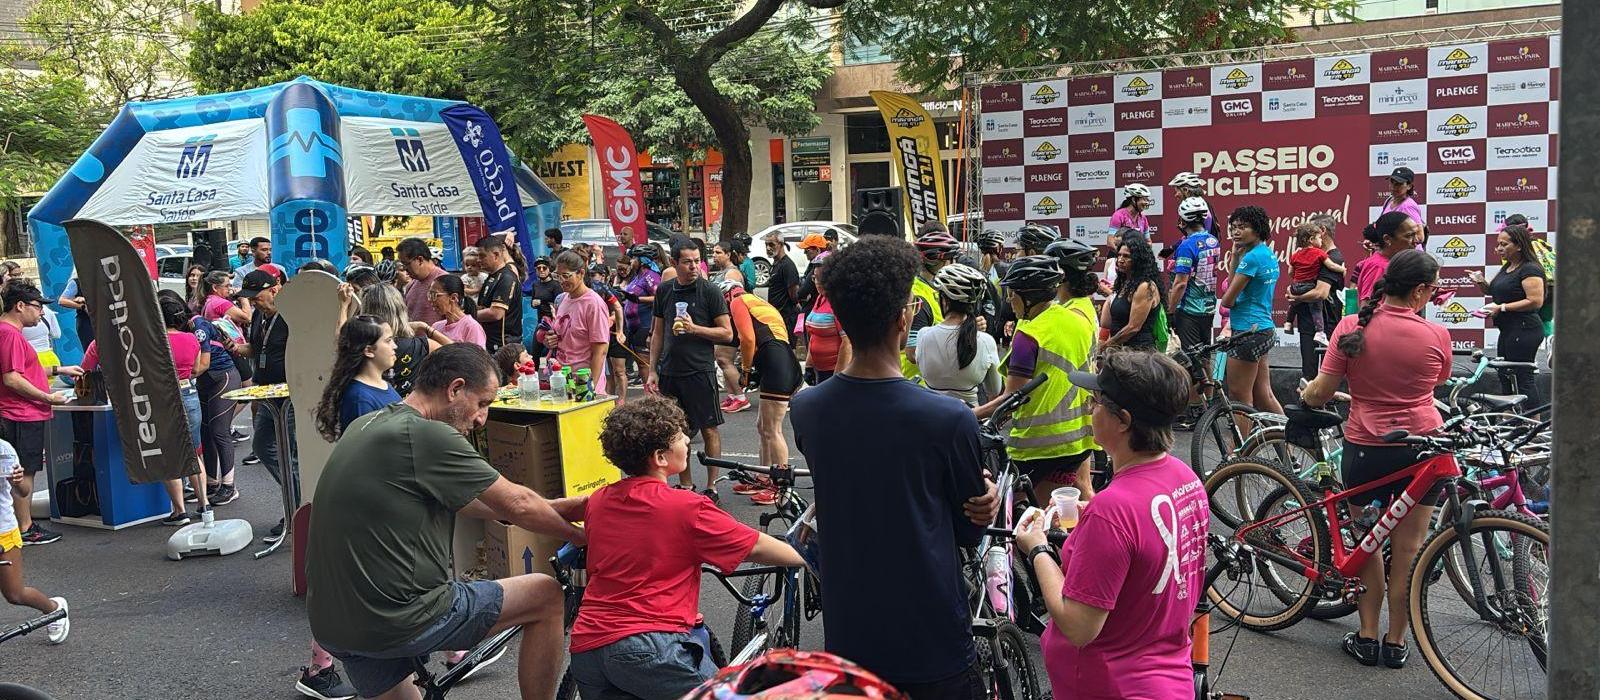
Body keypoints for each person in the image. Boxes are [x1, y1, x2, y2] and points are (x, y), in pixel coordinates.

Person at [305, 344, 584, 700]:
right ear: (454, 389)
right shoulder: (427, 434)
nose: (482, 418)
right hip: (396, 616)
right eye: (482, 403)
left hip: (335, 622)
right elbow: (516, 502)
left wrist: (561, 508)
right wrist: (579, 537)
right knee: (545, 596)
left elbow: (472, 502)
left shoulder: (370, 423)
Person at [789, 236, 998, 696]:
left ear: (840, 320)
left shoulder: (806, 411)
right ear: (904, 319)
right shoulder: (949, 419)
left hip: (850, 638)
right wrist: (986, 499)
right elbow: (969, 531)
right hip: (932, 637)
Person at [569, 396, 805, 698]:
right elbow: (756, 545)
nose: (686, 442)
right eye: (680, 437)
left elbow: (574, 507)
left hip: (588, 646)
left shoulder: (601, 500)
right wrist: (812, 556)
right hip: (650, 646)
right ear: (660, 457)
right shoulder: (687, 507)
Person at [1015, 350, 1209, 700]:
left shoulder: (1112, 511)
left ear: (1122, 420)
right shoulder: (1186, 480)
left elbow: (1078, 626)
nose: (1090, 408)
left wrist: (1038, 547)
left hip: (1107, 684)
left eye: (1096, 402)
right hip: (1169, 677)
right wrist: (1093, 515)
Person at [1301, 249, 1448, 669]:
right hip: (1422, 450)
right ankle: (1396, 642)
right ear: (1420, 291)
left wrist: (1307, 394)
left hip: (1365, 451)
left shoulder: (1351, 327)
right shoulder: (1436, 336)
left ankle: (1366, 637)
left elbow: (1321, 393)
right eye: (1434, 289)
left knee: (1367, 546)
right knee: (1408, 550)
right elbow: (1438, 381)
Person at [978, 257, 1100, 504]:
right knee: (1060, 511)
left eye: (1012, 294)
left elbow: (1011, 401)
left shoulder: (1029, 335)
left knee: (1008, 506)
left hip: (1039, 445)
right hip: (1080, 439)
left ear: (1029, 297)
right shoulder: (1076, 320)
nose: (1009, 301)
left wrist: (969, 414)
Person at [82, 290, 209, 525]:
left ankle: (180, 511)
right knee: (193, 451)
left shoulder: (150, 340)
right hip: (189, 393)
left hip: (162, 397)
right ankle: (204, 504)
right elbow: (194, 369)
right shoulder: (192, 339)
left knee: (169, 454)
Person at [644, 237, 733, 501]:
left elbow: (727, 333)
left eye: (697, 261)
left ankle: (712, 485)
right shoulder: (665, 290)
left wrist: (695, 329)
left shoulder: (710, 291)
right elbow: (658, 332)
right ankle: (686, 485)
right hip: (671, 371)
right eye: (687, 262)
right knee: (676, 432)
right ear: (674, 263)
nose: (694, 267)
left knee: (709, 428)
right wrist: (653, 370)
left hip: (699, 370)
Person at [1, 281, 82, 546]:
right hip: (21, 414)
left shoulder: (9, 333)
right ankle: (25, 527)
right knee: (23, 472)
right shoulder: (10, 334)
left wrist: (60, 370)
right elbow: (12, 379)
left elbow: (23, 371)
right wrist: (48, 397)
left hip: (20, 412)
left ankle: (21, 524)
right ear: (20, 306)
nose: (42, 313)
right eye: (37, 308)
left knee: (23, 470)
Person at [716, 279, 801, 504]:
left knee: (772, 429)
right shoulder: (756, 301)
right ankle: (764, 477)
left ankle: (782, 488)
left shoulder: (738, 301)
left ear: (726, 295)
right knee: (763, 426)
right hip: (780, 360)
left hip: (775, 362)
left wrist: (744, 370)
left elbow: (747, 338)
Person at [1470, 223, 1546, 410]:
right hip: (1509, 330)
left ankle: (1532, 426)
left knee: (1523, 378)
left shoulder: (1530, 269)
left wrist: (1502, 308)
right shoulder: (1509, 267)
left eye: (1504, 244)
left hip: (1526, 330)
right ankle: (1510, 420)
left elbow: (1535, 301)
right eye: (1498, 244)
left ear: (1519, 245)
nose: (1499, 249)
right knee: (1505, 375)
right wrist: (1481, 282)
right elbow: (1496, 291)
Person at [1218, 205, 1284, 421]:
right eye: (1234, 227)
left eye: (1242, 227)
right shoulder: (1267, 254)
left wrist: (1239, 261)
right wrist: (1235, 257)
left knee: (1239, 398)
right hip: (1263, 330)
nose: (1236, 232)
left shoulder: (1252, 259)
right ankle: (1294, 443)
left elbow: (1227, 299)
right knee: (1263, 395)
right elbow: (1233, 287)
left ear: (1257, 229)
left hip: (1247, 331)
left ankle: (1240, 453)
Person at [1, 436, 69, 643]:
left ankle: (54, 609)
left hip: (3, 531)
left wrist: (18, 481)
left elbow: (23, 492)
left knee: (15, 594)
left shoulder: (3, 449)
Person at [916, 264, 1001, 407]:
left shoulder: (924, 335)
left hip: (929, 415)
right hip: (970, 417)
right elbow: (994, 389)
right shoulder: (985, 341)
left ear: (944, 300)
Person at [192, 288, 243, 507]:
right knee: (206, 431)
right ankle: (212, 482)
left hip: (223, 376)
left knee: (219, 430)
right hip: (205, 381)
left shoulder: (199, 327)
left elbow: (202, 364)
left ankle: (229, 486)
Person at [314, 315, 400, 442]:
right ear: (369, 350)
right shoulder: (359, 399)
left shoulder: (384, 385)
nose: (395, 346)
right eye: (388, 341)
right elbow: (365, 450)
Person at [540, 251, 612, 395]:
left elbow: (601, 350)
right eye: (558, 276)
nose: (561, 281)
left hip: (583, 384)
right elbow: (561, 336)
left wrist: (589, 388)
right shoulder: (563, 299)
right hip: (561, 380)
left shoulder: (593, 304)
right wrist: (549, 341)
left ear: (581, 273)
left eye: (566, 276)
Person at [362, 283, 447, 397]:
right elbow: (461, 354)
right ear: (401, 309)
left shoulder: (363, 347)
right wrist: (425, 327)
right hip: (410, 411)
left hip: (373, 409)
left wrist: (344, 307)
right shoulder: (421, 346)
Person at [1286, 216, 1346, 379]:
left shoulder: (1332, 258)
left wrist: (1295, 298)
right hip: (1307, 323)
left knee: (1323, 377)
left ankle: (1320, 405)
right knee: (1309, 375)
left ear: (1322, 232)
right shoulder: (1307, 254)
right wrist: (1294, 292)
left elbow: (1321, 293)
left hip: (1325, 325)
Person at [1168, 196, 1221, 361]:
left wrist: (1170, 311)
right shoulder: (1213, 240)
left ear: (1183, 221)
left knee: (1191, 363)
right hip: (1209, 307)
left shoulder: (1186, 246)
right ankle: (1210, 387)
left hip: (1189, 310)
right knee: (1204, 358)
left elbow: (1180, 284)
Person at [904, 228, 957, 382]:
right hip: (918, 384)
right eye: (950, 259)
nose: (953, 264)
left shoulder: (933, 287)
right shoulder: (918, 296)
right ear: (936, 260)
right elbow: (913, 353)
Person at [1101, 235, 1163, 351]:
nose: (1120, 260)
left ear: (1138, 259)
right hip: (1121, 353)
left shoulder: (1144, 287)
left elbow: (1133, 327)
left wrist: (1105, 346)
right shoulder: (1124, 283)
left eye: (1126, 256)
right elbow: (1108, 322)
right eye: (1119, 255)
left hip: (1139, 355)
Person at [708, 242, 748, 412]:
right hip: (723, 319)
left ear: (728, 254)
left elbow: (733, 297)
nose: (714, 256)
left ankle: (740, 396)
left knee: (724, 359)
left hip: (731, 320)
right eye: (713, 252)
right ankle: (732, 395)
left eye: (718, 252)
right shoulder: (722, 272)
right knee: (723, 359)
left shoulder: (732, 273)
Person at [1354, 212, 1421, 306]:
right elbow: (1366, 308)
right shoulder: (1378, 266)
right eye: (1409, 236)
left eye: (1416, 234)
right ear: (1387, 239)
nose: (1417, 241)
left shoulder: (1392, 263)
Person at [803, 252, 849, 385]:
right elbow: (814, 334)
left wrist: (837, 380)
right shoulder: (821, 297)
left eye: (822, 278)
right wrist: (809, 365)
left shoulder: (839, 301)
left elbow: (847, 343)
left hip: (834, 371)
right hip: (820, 371)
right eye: (815, 278)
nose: (818, 283)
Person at [473, 235, 525, 354]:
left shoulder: (506, 277)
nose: (478, 260)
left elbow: (496, 313)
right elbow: (483, 307)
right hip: (489, 342)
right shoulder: (492, 276)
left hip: (503, 346)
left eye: (482, 256)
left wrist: (467, 315)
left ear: (496, 255)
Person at [619, 245, 662, 380]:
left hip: (645, 324)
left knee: (645, 364)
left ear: (641, 260)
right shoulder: (638, 275)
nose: (631, 262)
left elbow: (659, 298)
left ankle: (653, 396)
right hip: (634, 327)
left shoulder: (651, 276)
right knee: (641, 362)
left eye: (633, 259)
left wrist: (637, 299)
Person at [397, 238, 448, 326]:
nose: (404, 269)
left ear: (420, 260)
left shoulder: (446, 281)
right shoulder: (411, 285)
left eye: (406, 264)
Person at [763, 234, 801, 346]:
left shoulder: (788, 265)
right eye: (766, 245)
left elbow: (794, 293)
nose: (768, 248)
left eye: (771, 244)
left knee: (788, 348)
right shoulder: (775, 264)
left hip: (787, 316)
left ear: (781, 245)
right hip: (776, 315)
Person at [429, 274, 485, 347]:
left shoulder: (471, 327)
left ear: (453, 298)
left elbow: (476, 357)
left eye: (434, 295)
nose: (430, 300)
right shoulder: (436, 326)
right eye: (429, 295)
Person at [1380, 167, 1425, 246]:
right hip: (1394, 254)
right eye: (1392, 182)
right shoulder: (1389, 201)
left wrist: (1397, 242)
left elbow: (1420, 237)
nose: (1393, 187)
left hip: (1408, 256)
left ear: (1409, 186)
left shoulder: (1408, 206)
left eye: (1398, 184)